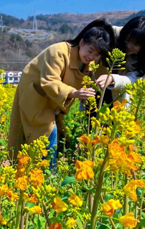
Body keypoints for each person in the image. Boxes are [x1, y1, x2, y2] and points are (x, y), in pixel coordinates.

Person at [7, 19, 115, 165]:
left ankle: (42, 171)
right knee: (46, 135)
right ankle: (46, 173)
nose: (91, 57)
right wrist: (74, 93)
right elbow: (49, 81)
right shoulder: (57, 51)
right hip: (35, 95)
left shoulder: (88, 64)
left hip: (54, 100)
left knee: (59, 138)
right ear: (82, 43)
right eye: (90, 51)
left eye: (97, 55)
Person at [96, 16, 145, 103]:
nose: (129, 46)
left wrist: (112, 79)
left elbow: (132, 79)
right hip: (95, 88)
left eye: (136, 44)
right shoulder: (110, 35)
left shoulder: (144, 59)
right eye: (127, 40)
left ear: (144, 45)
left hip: (117, 98)